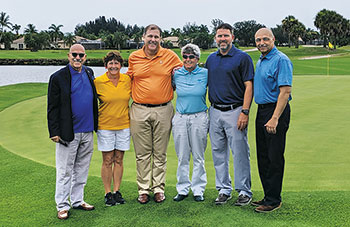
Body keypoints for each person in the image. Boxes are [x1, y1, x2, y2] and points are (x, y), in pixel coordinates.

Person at [127, 24, 182, 204]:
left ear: (161, 39)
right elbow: (128, 79)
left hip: (163, 109)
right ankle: (143, 189)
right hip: (139, 109)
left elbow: (183, 73)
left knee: (160, 153)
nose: (153, 40)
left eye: (156, 37)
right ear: (143, 37)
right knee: (142, 154)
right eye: (150, 36)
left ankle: (158, 188)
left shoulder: (170, 56)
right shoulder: (134, 57)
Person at [205, 23, 254, 206]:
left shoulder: (243, 58)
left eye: (226, 35)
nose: (222, 39)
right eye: (219, 36)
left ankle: (244, 191)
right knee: (218, 153)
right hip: (215, 111)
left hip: (235, 111)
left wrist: (245, 111)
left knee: (240, 152)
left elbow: (249, 85)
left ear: (232, 37)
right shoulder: (211, 59)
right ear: (215, 38)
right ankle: (224, 189)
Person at [47, 44, 98, 220]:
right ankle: (62, 205)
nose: (78, 58)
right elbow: (52, 107)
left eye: (81, 55)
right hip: (68, 132)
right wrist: (54, 131)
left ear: (85, 57)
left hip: (87, 130)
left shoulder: (89, 72)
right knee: (65, 171)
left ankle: (77, 200)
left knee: (82, 169)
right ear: (68, 56)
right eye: (74, 55)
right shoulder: (58, 77)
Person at [252, 28, 293, 213]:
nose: (261, 42)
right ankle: (268, 194)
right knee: (263, 156)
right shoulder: (261, 59)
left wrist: (275, 118)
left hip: (275, 111)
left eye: (265, 39)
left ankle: (274, 200)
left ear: (273, 39)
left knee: (274, 156)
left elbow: (285, 91)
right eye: (258, 40)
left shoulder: (281, 60)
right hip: (261, 111)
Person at [94, 51, 131, 206]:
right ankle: (107, 192)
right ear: (106, 66)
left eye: (116, 63)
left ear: (121, 65)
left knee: (119, 159)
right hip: (105, 126)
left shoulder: (127, 79)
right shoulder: (98, 81)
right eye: (111, 63)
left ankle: (117, 191)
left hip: (123, 125)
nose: (114, 66)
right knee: (107, 160)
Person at [172, 44, 208, 202]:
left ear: (197, 59)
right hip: (180, 117)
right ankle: (182, 188)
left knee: (198, 155)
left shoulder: (206, 73)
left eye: (191, 57)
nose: (188, 59)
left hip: (199, 116)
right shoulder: (176, 74)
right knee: (182, 156)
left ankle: (198, 189)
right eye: (185, 56)